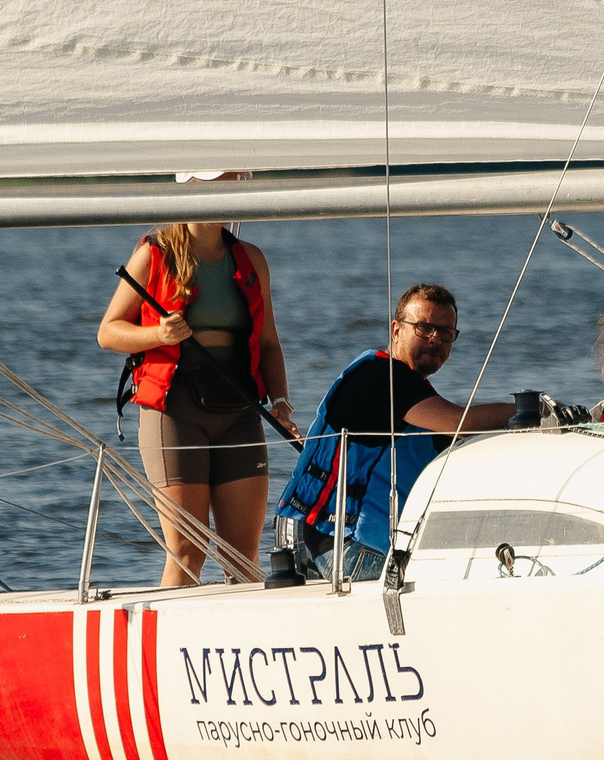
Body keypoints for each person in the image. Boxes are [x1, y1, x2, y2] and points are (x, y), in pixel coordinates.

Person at [275, 283, 522, 581]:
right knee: (475, 576)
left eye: (446, 333)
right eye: (424, 328)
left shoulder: (413, 392)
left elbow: (460, 440)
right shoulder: (382, 377)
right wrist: (532, 409)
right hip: (345, 546)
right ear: (396, 330)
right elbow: (460, 421)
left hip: (324, 540)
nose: (435, 339)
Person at [98, 206, 290, 586]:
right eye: (222, 181)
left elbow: (269, 343)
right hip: (174, 410)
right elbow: (108, 332)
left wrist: (281, 404)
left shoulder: (251, 259)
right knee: (188, 552)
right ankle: (169, 642)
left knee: (243, 555)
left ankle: (241, 643)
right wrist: (158, 335)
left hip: (239, 409)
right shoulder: (153, 253)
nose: (232, 191)